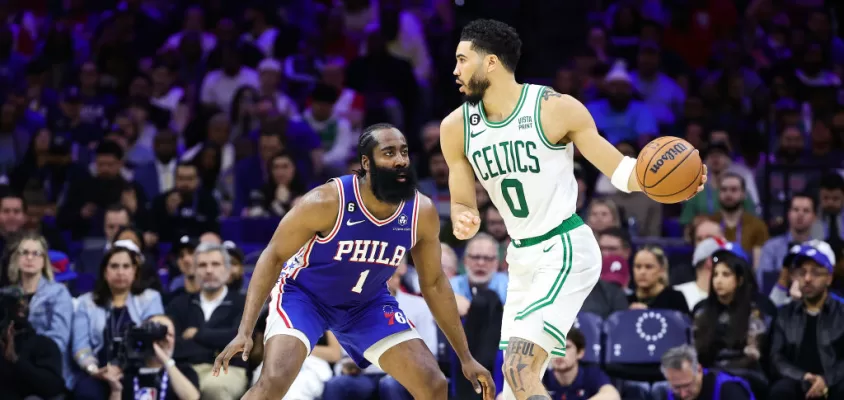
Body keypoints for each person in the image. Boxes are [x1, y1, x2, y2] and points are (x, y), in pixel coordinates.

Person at [440, 19, 706, 400]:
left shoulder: (554, 108)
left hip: (564, 246)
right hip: (521, 257)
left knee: (517, 367)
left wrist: (666, 183)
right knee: (513, 388)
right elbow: (463, 197)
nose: (455, 70)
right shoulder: (456, 127)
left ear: (492, 63)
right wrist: (466, 217)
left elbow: (620, 170)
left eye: (463, 60)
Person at [214, 124, 494, 400]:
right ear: (366, 162)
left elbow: (433, 283)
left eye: (404, 152)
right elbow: (273, 256)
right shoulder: (326, 201)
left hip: (366, 304)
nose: (400, 161)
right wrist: (245, 331)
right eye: (389, 153)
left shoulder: (421, 211)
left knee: (433, 384)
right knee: (274, 382)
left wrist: (466, 357)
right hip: (305, 297)